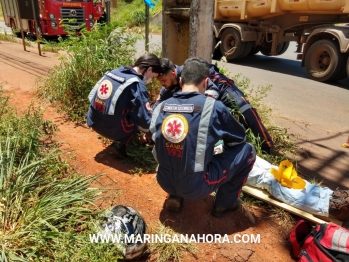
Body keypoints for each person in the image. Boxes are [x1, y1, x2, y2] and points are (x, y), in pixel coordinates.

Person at [150, 57, 256, 218]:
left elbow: (155, 141)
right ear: (206, 82)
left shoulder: (161, 107)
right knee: (248, 151)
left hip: (164, 180)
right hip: (195, 187)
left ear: (180, 80)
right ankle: (224, 204)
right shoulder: (213, 106)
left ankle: (175, 195)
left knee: (178, 146)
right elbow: (238, 139)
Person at [155, 58, 273, 154]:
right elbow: (158, 105)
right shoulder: (168, 86)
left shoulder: (190, 71)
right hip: (204, 93)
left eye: (163, 80)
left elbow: (212, 90)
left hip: (220, 87)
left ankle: (266, 146)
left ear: (173, 74)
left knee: (245, 109)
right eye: (160, 82)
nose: (162, 84)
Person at [86, 53, 162, 159]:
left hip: (92, 120)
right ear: (149, 70)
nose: (151, 80)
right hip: (109, 128)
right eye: (153, 77)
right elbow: (145, 121)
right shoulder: (137, 84)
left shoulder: (113, 72)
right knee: (138, 117)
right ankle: (119, 144)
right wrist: (154, 132)